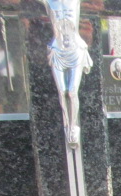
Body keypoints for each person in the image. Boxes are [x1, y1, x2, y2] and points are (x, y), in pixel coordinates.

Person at [39, 0, 93, 148]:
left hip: (75, 50)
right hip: (58, 50)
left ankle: (73, 127)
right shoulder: (50, 2)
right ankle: (67, 125)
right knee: (62, 91)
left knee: (72, 91)